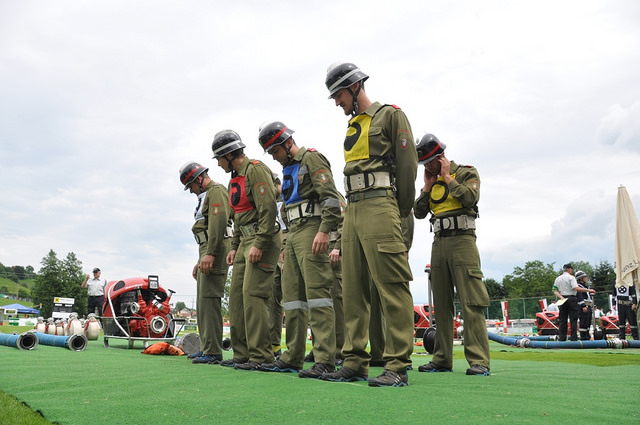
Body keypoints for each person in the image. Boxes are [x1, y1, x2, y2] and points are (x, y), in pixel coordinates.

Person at [319, 62, 417, 387]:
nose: (337, 102)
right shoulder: (353, 126)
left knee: (391, 285)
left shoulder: (390, 116)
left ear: (355, 86)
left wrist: (400, 214)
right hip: (354, 209)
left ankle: (398, 364)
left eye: (339, 94)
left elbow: (408, 168)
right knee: (353, 288)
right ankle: (354, 361)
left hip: (381, 204)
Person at [258, 121, 341, 379]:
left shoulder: (312, 159)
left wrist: (324, 231)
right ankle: (292, 357)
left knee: (318, 295)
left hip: (312, 228)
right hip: (293, 233)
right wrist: (286, 243)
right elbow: (287, 206)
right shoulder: (288, 168)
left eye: (275, 151)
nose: (274, 157)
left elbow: (331, 198)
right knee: (292, 298)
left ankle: (325, 359)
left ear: (286, 143)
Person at [413, 133, 491, 376]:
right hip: (439, 242)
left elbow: (470, 197)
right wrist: (427, 187)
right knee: (441, 304)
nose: (427, 167)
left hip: (463, 241)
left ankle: (479, 361)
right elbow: (418, 212)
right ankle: (442, 359)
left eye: (429, 162)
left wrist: (447, 177)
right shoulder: (431, 181)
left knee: (471, 301)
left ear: (441, 157)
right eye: (424, 164)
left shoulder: (466, 173)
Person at [211, 129, 282, 371]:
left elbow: (268, 210)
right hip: (243, 241)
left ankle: (261, 356)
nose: (219, 164)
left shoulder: (255, 170)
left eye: (219, 159)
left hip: (262, 238)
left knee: (254, 296)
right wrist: (234, 247)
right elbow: (239, 217)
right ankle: (242, 354)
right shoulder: (235, 179)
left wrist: (260, 244)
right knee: (237, 299)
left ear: (229, 155)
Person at [179, 161, 232, 364]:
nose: (191, 190)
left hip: (214, 247)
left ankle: (213, 350)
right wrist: (200, 258)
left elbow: (218, 225)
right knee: (203, 300)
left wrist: (210, 253)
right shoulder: (206, 194)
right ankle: (207, 347)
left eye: (191, 185)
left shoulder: (216, 191)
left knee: (210, 298)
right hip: (207, 248)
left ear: (199, 179)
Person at [552, 263, 596, 341]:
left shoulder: (558, 278)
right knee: (573, 319)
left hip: (562, 299)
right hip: (571, 298)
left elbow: (554, 290)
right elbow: (576, 288)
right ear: (569, 269)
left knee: (562, 320)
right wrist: (588, 290)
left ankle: (562, 338)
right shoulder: (571, 277)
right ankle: (573, 338)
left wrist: (560, 297)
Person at [575, 270, 594, 341]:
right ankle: (583, 337)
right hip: (583, 306)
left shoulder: (585, 287)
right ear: (581, 278)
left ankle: (587, 336)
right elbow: (580, 296)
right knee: (583, 322)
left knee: (588, 323)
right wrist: (583, 305)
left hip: (588, 306)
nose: (586, 278)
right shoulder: (579, 287)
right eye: (585, 277)